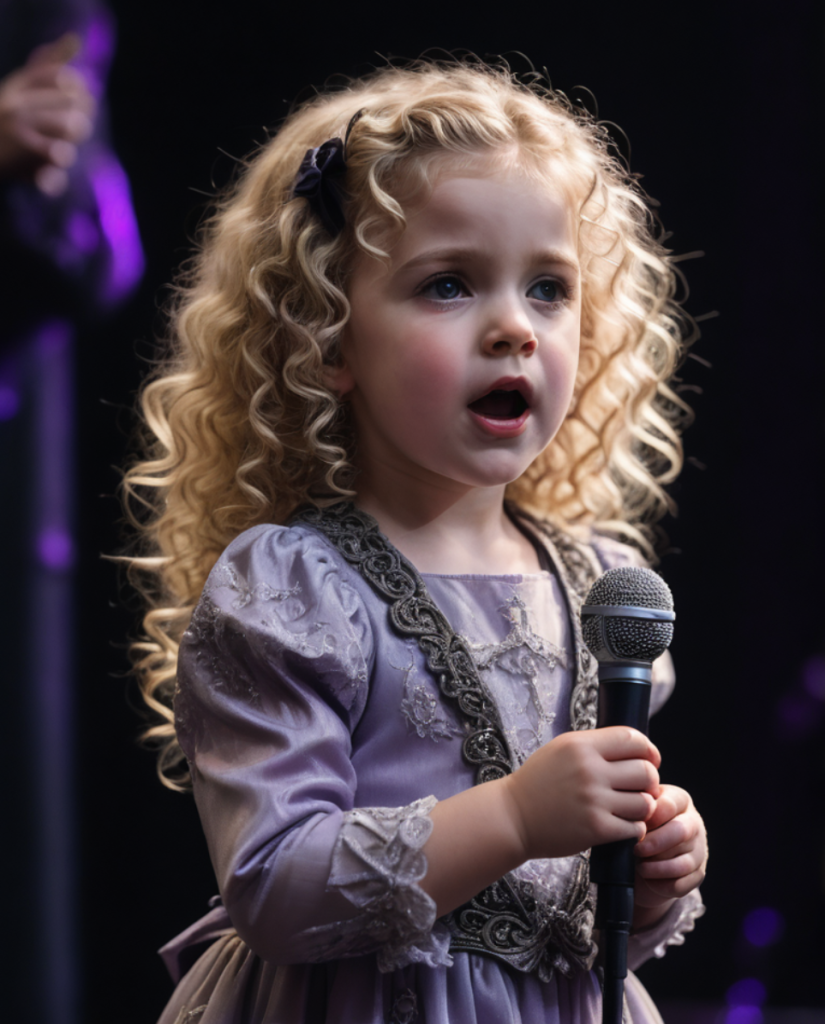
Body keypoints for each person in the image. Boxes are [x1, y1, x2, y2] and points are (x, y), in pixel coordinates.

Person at [123, 59, 708, 1024]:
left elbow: (557, 926)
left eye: (549, 289)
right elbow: (273, 886)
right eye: (448, 285)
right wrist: (516, 817)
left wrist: (645, 879)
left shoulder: (597, 586)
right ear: (328, 340)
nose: (514, 328)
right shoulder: (296, 589)